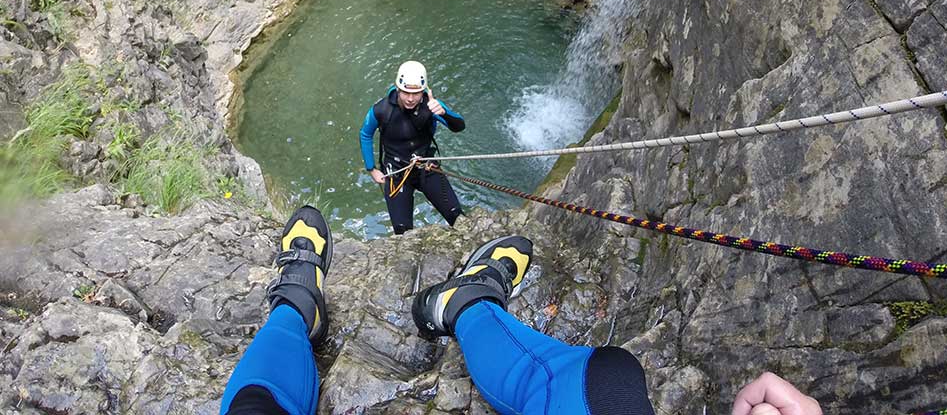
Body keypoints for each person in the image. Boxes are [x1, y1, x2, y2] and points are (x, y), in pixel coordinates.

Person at [221, 205, 824, 415]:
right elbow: (371, 135)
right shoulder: (385, 115)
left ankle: (296, 304)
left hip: (419, 167)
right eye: (406, 89)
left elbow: (449, 126)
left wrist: (439, 119)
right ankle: (466, 303)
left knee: (252, 410)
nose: (408, 94)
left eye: (412, 88)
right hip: (400, 175)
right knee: (606, 383)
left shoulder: (415, 106)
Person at [359, 60, 465, 235]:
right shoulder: (381, 110)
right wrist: (372, 169)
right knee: (402, 232)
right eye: (406, 92)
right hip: (397, 172)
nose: (410, 98)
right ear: (398, 89)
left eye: (416, 93)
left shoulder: (431, 106)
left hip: (426, 166)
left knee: (456, 217)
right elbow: (365, 134)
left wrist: (444, 112)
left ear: (424, 91)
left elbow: (459, 127)